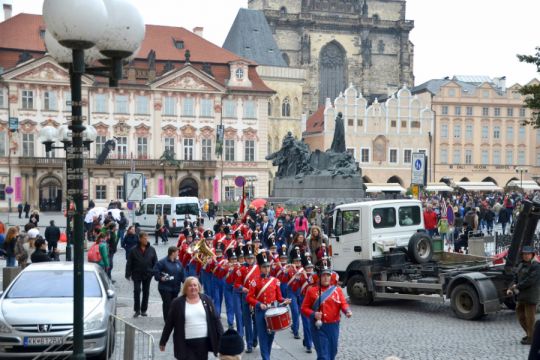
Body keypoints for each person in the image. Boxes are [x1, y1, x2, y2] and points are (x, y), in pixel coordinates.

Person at [159, 276, 224, 360]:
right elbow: (169, 324)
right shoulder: (177, 303)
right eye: (190, 285)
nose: (193, 288)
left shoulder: (206, 300)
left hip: (203, 343)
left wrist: (223, 338)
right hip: (184, 343)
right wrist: (163, 341)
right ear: (185, 288)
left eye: (195, 285)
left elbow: (216, 320)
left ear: (199, 287)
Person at [301, 260, 352, 360]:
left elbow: (343, 303)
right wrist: (313, 314)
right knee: (323, 356)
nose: (326, 277)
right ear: (319, 276)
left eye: (328, 275)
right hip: (319, 326)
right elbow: (303, 308)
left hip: (333, 326)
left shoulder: (337, 290)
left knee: (333, 352)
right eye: (323, 275)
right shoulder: (311, 291)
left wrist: (347, 311)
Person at [247, 250, 291, 360]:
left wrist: (284, 300)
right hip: (260, 312)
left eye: (268, 267)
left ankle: (267, 356)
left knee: (271, 336)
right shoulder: (254, 281)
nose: (267, 269)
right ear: (260, 268)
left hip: (272, 309)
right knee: (262, 337)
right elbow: (249, 297)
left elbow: (279, 297)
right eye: (264, 267)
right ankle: (266, 358)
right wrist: (258, 304)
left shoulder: (275, 281)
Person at [506, 246, 540, 345]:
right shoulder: (521, 265)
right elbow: (515, 278)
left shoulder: (536, 266)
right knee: (520, 316)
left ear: (532, 255)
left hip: (531, 296)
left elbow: (530, 280)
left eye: (528, 254)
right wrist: (510, 288)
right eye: (524, 254)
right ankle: (531, 334)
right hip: (521, 296)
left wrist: (517, 286)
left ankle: (532, 338)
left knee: (530, 318)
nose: (526, 256)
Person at [126, 231, 158, 317]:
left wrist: (154, 272)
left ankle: (144, 309)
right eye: (144, 238)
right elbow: (129, 263)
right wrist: (128, 274)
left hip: (148, 274)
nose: (146, 240)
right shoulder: (133, 250)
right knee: (137, 291)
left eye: (147, 238)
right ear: (140, 239)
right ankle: (137, 310)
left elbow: (155, 262)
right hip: (136, 273)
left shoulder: (152, 249)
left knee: (146, 291)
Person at [154, 246, 185, 321]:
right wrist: (160, 278)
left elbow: (182, 275)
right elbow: (156, 272)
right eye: (177, 252)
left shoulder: (178, 263)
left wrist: (187, 282)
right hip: (165, 288)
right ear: (172, 253)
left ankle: (173, 319)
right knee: (167, 304)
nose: (178, 253)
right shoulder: (162, 262)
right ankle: (167, 320)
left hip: (175, 288)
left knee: (174, 304)